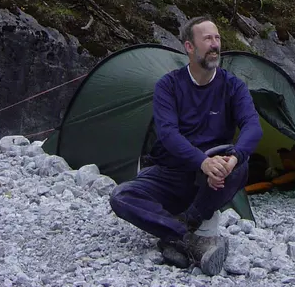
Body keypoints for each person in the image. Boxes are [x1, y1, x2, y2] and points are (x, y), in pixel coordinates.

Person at [109, 16, 263, 276]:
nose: (215, 45)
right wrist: (201, 161)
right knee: (121, 197)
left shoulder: (232, 86)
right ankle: (189, 239)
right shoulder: (168, 86)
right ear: (189, 47)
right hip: (171, 171)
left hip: (212, 179)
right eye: (207, 39)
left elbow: (252, 126)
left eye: (217, 38)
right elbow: (168, 135)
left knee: (240, 166)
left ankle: (181, 226)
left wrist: (232, 159)